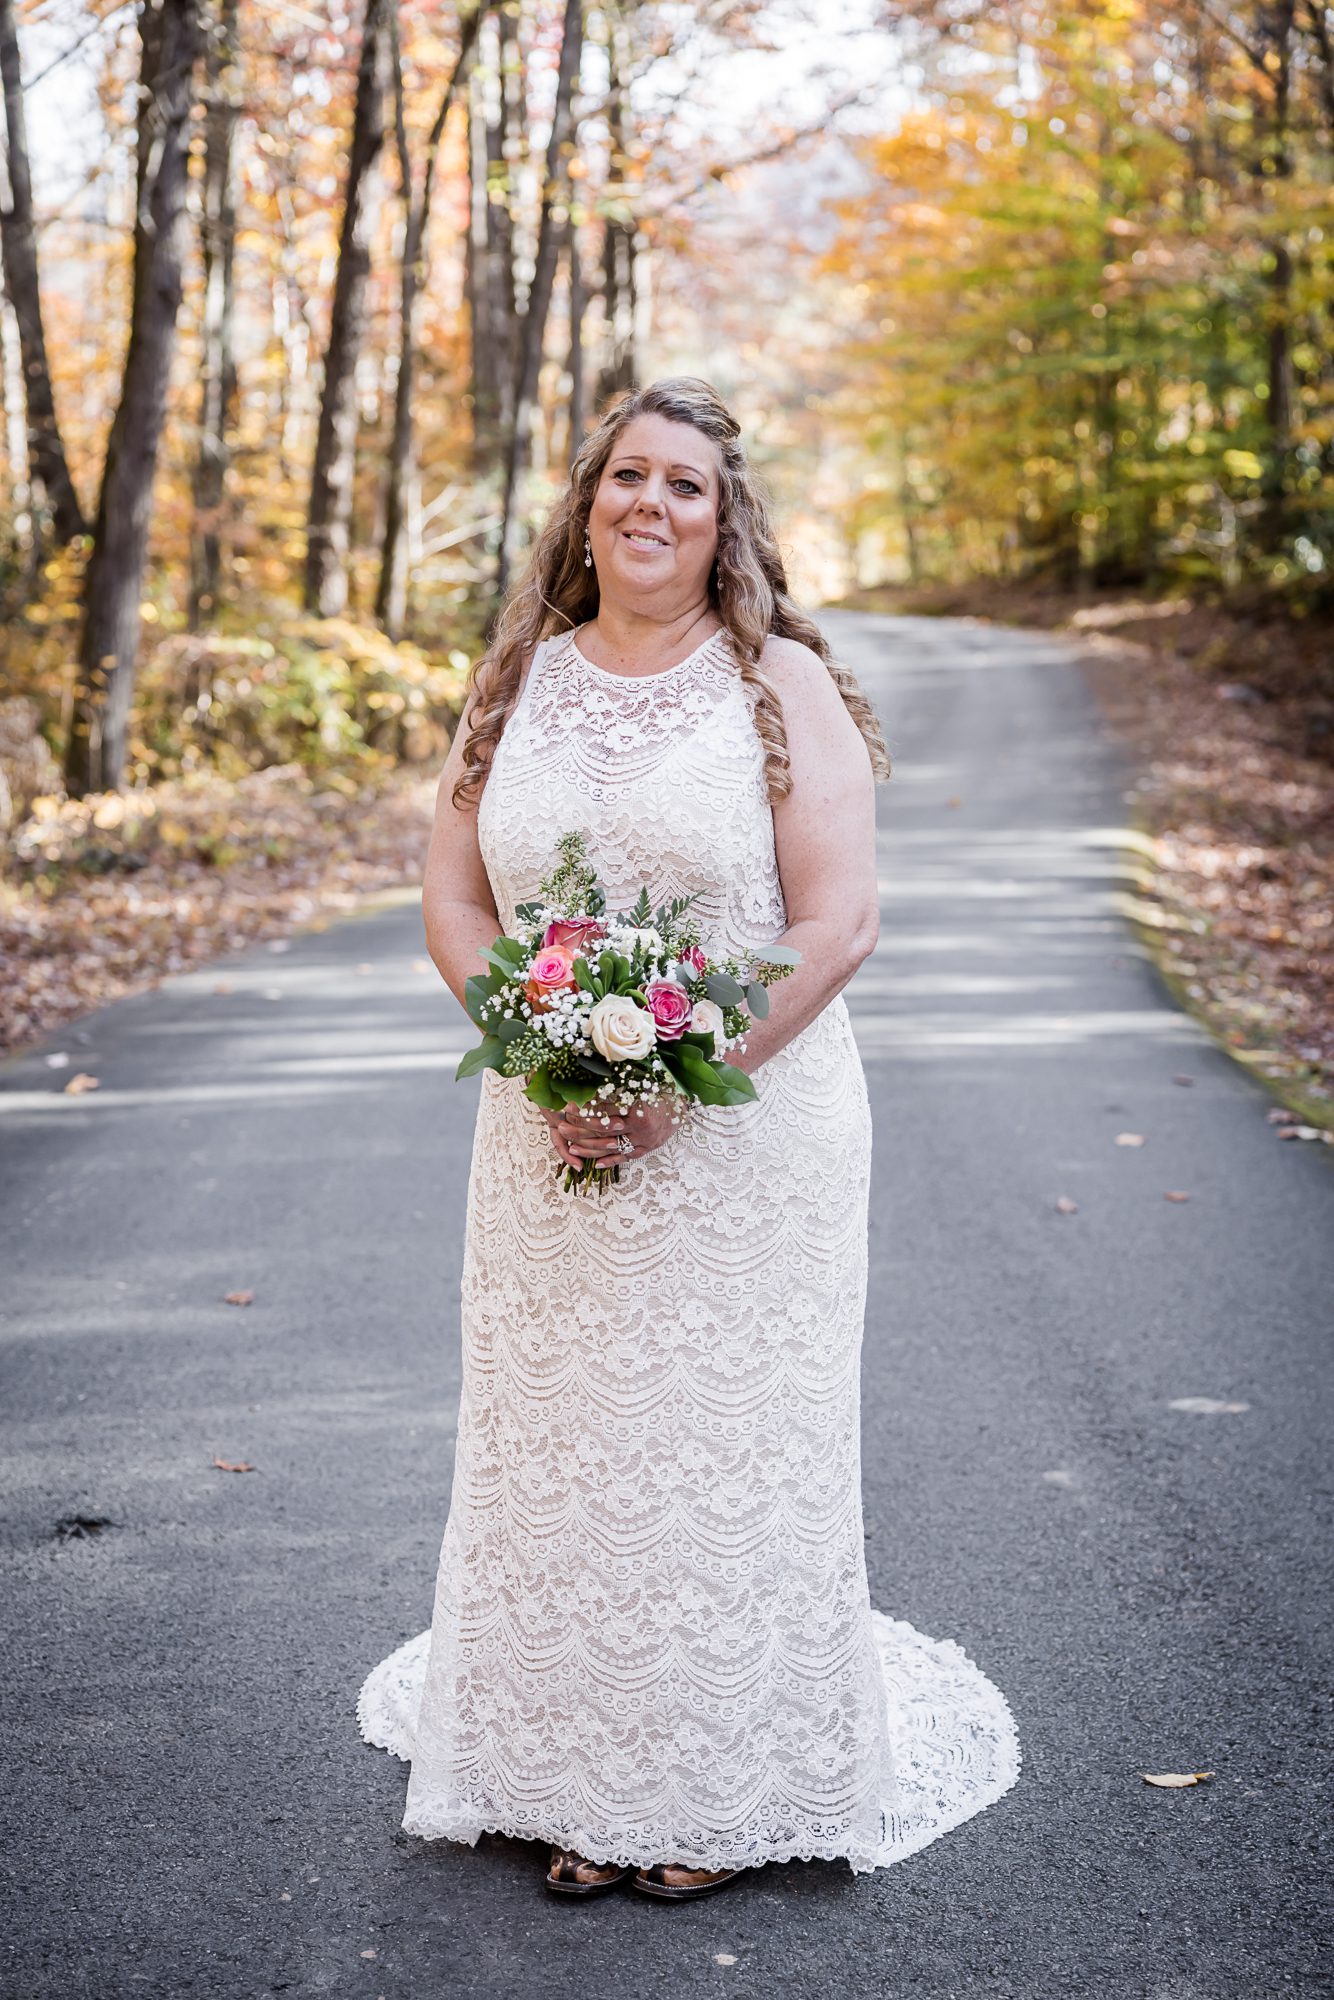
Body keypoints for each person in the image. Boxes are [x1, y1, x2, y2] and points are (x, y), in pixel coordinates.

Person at [357, 376, 1020, 1899]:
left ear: (726, 526)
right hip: (548, 1129)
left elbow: (836, 922)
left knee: (721, 1442)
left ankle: (714, 1784)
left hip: (746, 1131)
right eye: (627, 478)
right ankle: (565, 1769)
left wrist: (678, 1073)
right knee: (567, 1441)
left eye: (685, 487)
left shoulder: (774, 682)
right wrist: (538, 1053)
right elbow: (455, 900)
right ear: (585, 503)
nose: (649, 505)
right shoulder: (513, 677)